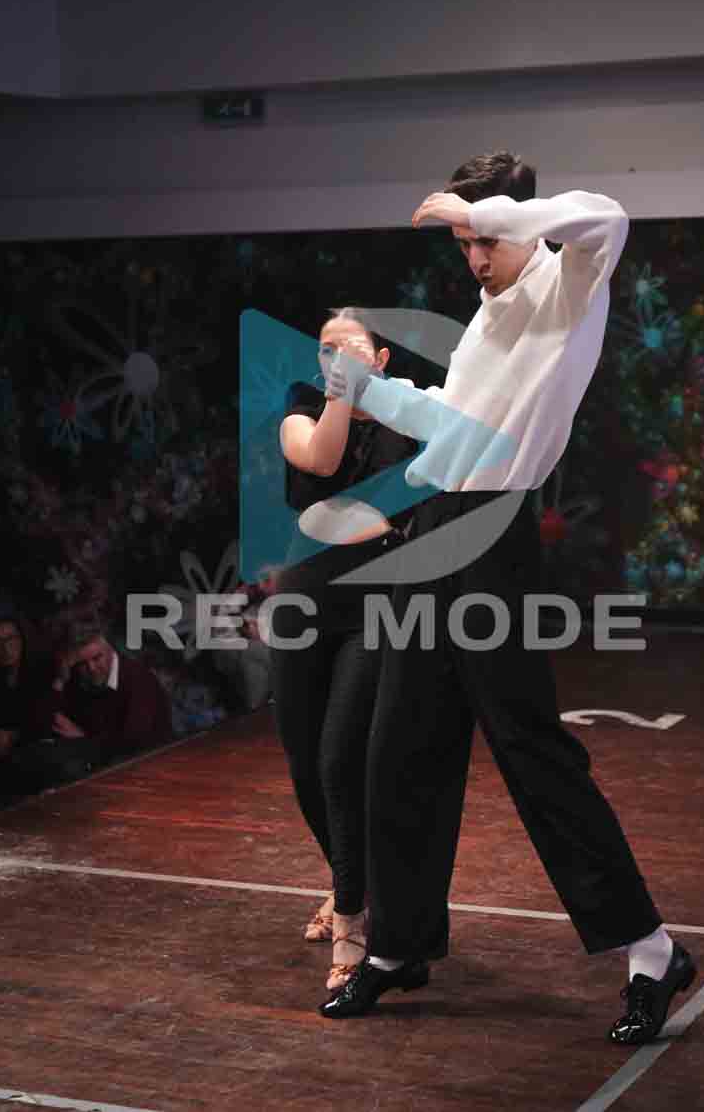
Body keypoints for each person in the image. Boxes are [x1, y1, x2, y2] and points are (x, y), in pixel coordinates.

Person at [317, 153, 696, 1045]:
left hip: (493, 538)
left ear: (518, 221)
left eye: (483, 238)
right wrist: (367, 390)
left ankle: (651, 950)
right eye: (463, 244)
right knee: (399, 747)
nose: (475, 257)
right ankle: (397, 944)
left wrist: (487, 212)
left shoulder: (571, 284)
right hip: (437, 531)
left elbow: (607, 215)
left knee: (531, 753)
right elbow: (451, 423)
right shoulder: (487, 315)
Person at [270, 307, 417, 990]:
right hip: (303, 602)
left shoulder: (407, 422)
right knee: (304, 762)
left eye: (350, 346)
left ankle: (353, 920)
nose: (336, 356)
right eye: (325, 347)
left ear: (381, 360)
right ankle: (346, 881)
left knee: (339, 758)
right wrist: (338, 392)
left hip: (375, 607)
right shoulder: (302, 411)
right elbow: (321, 460)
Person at [20, 622, 172, 785]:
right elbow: (44, 724)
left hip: (148, 765)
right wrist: (60, 679)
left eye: (97, 658)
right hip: (99, 761)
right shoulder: (79, 676)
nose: (91, 668)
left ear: (110, 650)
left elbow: (134, 742)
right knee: (32, 757)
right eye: (82, 663)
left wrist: (83, 741)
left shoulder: (139, 679)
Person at [0, 611, 55, 801]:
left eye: (11, 638)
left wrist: (13, 735)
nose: (6, 647)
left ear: (23, 640)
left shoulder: (41, 674)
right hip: (1, 763)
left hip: (38, 757)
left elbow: (46, 721)